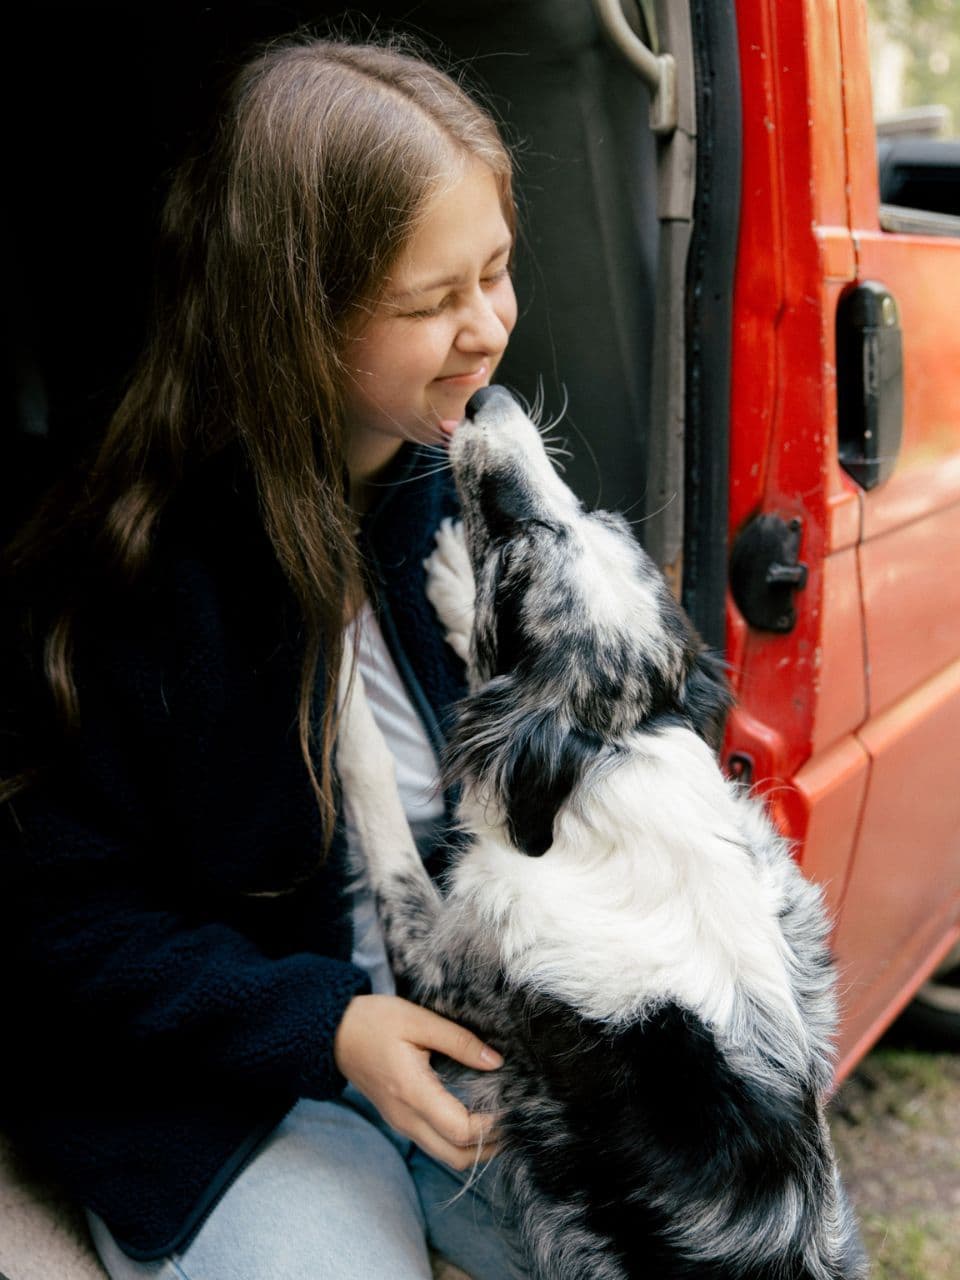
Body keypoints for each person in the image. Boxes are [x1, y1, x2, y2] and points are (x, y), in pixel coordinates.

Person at [0, 36, 522, 1280]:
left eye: (498, 271)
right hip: (223, 1085)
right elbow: (58, 918)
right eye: (430, 302)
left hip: (470, 1038)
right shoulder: (129, 564)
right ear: (296, 318)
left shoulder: (488, 483)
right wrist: (329, 1027)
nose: (487, 328)